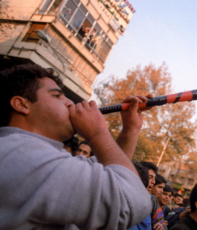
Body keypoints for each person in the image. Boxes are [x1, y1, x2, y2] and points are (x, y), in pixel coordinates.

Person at [0, 63, 152, 229]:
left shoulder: (23, 151)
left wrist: (130, 130)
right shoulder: (23, 155)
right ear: (21, 104)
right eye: (57, 96)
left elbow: (106, 170)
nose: (71, 103)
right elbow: (131, 199)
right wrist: (97, 132)